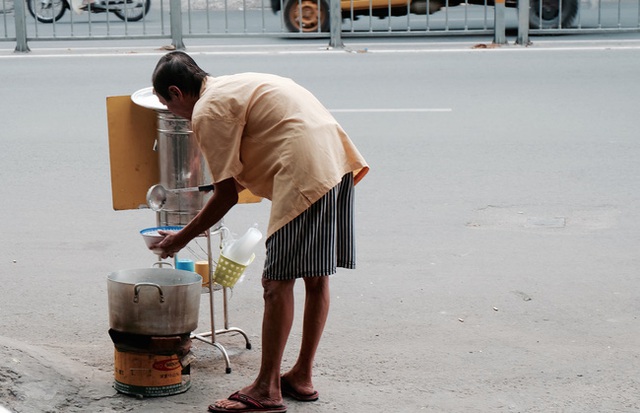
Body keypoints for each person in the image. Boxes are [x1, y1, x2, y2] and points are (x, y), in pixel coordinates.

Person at [150, 51, 369, 413]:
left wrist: (180, 238)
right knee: (316, 279)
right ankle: (301, 375)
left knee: (276, 283)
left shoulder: (206, 109)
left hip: (303, 174)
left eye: (166, 105)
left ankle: (267, 389)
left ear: (176, 92)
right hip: (335, 161)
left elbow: (226, 196)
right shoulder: (231, 85)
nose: (173, 113)